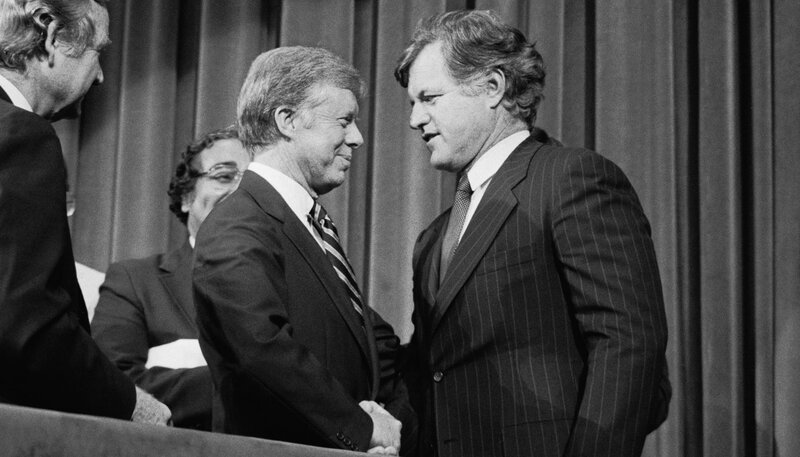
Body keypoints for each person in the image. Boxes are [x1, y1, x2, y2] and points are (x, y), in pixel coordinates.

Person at [395, 10, 670, 457]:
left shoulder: (571, 179)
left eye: (429, 97)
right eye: (412, 103)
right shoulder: (433, 237)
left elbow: (628, 342)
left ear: (492, 88)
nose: (414, 119)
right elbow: (433, 367)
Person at [192, 46, 416, 455]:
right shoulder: (238, 223)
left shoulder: (306, 226)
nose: (358, 138)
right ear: (287, 120)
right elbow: (262, 350)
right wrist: (364, 429)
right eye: (344, 121)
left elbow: (371, 348)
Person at [0, 0, 170, 424]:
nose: (100, 77)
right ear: (50, 33)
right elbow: (25, 325)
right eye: (98, 52)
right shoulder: (21, 135)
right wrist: (132, 404)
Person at [91, 126, 249, 430]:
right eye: (224, 176)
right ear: (187, 197)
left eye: (251, 183)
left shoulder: (297, 287)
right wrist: (247, 386)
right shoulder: (135, 281)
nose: (239, 192)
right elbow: (112, 381)